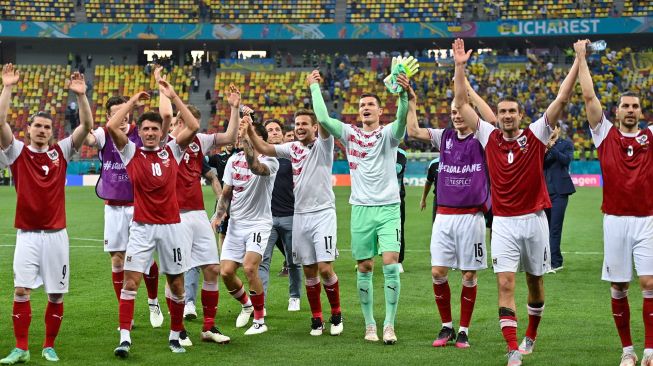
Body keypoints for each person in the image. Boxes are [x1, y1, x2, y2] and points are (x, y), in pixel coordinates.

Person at [452, 38, 578, 365]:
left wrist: (578, 59)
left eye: (512, 111)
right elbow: (461, 101)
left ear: (521, 115)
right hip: (504, 223)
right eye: (503, 111)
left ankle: (531, 335)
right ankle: (512, 349)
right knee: (505, 282)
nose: (507, 116)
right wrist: (460, 66)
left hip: (535, 220)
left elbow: (562, 97)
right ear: (498, 116)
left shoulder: (536, 134)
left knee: (535, 282)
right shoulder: (488, 135)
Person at [308, 68, 410, 344]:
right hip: (361, 209)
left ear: (379, 111)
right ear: (358, 111)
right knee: (364, 267)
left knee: (390, 264)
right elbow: (322, 118)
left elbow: (402, 120)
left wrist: (402, 95)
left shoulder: (389, 134)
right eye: (362, 105)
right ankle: (370, 325)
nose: (366, 108)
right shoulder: (350, 134)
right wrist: (314, 87)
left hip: (389, 208)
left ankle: (389, 324)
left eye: (370, 105)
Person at [0, 65, 93, 363]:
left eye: (46, 127)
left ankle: (48, 345)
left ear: (53, 132)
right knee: (21, 290)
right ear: (28, 130)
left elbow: (86, 126)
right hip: (27, 234)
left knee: (55, 295)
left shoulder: (61, 152)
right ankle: (21, 348)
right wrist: (8, 87)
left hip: (56, 236)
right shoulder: (16, 152)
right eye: (37, 126)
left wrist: (81, 97)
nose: (41, 130)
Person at [576, 39, 653, 366]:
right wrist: (581, 57)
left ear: (641, 111)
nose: (631, 110)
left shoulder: (650, 136)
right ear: (618, 111)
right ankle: (627, 351)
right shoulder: (604, 133)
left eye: (635, 106)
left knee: (649, 282)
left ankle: (650, 350)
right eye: (626, 106)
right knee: (619, 286)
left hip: (647, 219)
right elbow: (589, 96)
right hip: (615, 220)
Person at [407, 72, 497, 349]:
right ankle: (446, 326)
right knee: (437, 272)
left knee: (469, 275)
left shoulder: (483, 138)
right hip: (444, 216)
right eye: (453, 112)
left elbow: (492, 119)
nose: (457, 116)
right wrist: (411, 102)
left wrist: (467, 92)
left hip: (471, 216)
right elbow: (413, 132)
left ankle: (464, 329)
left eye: (461, 111)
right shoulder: (444, 136)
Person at [111, 80, 199, 358]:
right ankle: (124, 338)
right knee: (130, 283)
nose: (150, 133)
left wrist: (173, 96)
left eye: (154, 129)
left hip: (172, 227)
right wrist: (133, 100)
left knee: (176, 284)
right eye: (145, 129)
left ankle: (175, 336)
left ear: (162, 132)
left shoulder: (172, 150)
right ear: (141, 132)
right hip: (142, 228)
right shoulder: (131, 153)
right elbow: (112, 127)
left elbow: (194, 126)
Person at [86, 67, 170, 329]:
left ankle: (153, 301)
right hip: (113, 206)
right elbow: (88, 139)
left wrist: (158, 86)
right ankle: (126, 311)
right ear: (110, 116)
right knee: (117, 260)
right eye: (115, 114)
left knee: (146, 259)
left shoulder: (141, 133)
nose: (121, 119)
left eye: (124, 113)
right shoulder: (103, 133)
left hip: (139, 205)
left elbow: (164, 119)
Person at [247, 108, 343, 337]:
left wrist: (313, 87)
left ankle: (337, 313)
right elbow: (264, 148)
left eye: (304, 124)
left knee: (325, 268)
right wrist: (249, 129)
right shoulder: (292, 148)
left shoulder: (323, 145)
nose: (299, 127)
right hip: (300, 215)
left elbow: (323, 115)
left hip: (323, 214)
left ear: (315, 127)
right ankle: (317, 318)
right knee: (309, 270)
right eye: (297, 124)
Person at [170, 86, 240, 346]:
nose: (186, 125)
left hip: (198, 214)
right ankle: (177, 329)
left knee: (212, 268)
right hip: (174, 216)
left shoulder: (200, 141)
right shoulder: (167, 143)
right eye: (181, 120)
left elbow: (231, 135)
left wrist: (233, 107)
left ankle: (209, 327)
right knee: (176, 273)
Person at [215, 117, 279, 336]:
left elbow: (255, 167)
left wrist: (248, 134)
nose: (245, 140)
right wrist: (218, 216)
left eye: (252, 137)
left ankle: (260, 320)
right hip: (236, 223)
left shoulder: (271, 160)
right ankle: (246, 304)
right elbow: (226, 192)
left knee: (250, 267)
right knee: (226, 272)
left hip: (259, 224)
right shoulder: (233, 161)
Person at [256, 119, 302, 312]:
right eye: (270, 130)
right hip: (266, 218)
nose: (274, 132)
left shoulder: (292, 157)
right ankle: (261, 302)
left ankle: (294, 296)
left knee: (293, 261)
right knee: (262, 261)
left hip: (291, 216)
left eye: (277, 130)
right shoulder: (260, 160)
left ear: (283, 134)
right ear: (265, 135)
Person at [543, 126, 575, 273]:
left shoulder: (566, 144)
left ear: (558, 129)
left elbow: (566, 160)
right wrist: (543, 149)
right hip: (543, 192)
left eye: (553, 127)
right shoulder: (540, 144)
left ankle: (555, 261)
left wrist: (552, 148)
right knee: (544, 229)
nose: (550, 130)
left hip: (560, 192)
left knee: (554, 228)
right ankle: (545, 260)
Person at [396, 146, 407, 274]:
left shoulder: (400, 153)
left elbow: (397, 169)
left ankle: (398, 261)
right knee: (369, 229)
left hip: (396, 199)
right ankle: (365, 260)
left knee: (398, 230)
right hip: (373, 198)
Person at [420, 157, 439, 222]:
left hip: (456, 201)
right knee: (436, 227)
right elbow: (429, 182)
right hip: (438, 200)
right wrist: (423, 199)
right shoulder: (434, 163)